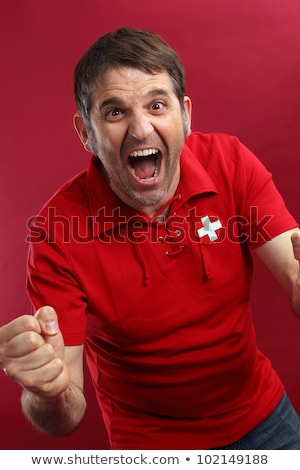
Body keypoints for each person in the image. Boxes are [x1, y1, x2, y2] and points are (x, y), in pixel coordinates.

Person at [1, 27, 300, 450]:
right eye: (115, 112)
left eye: (157, 105)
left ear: (186, 114)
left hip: (264, 418)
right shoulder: (55, 233)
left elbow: (295, 276)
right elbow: (65, 412)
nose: (142, 129)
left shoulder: (230, 162)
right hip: (150, 443)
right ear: (86, 132)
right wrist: (45, 390)